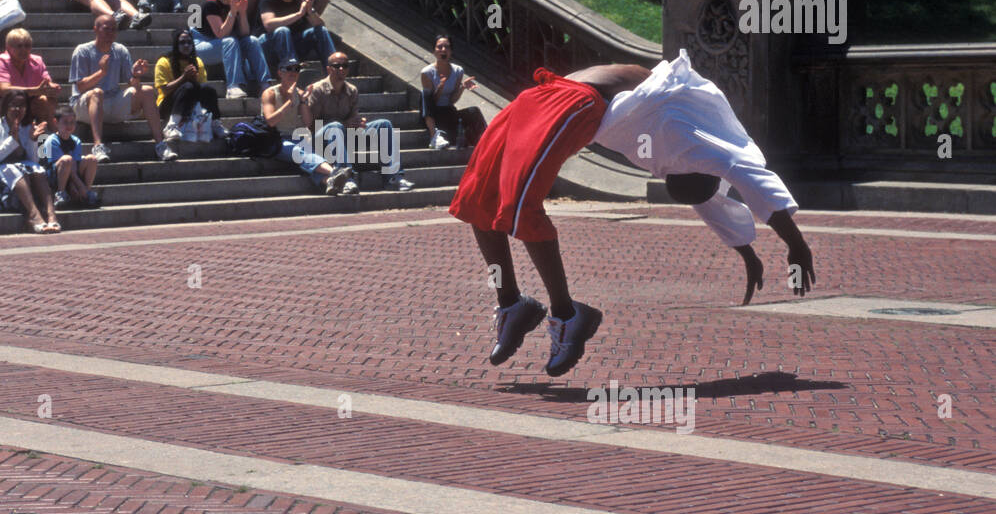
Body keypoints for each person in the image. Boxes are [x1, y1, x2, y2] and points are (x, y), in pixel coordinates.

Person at [448, 49, 815, 377]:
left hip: (569, 102)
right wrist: (796, 245)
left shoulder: (677, 151)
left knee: (518, 203)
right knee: (476, 198)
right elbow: (750, 178)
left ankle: (566, 313)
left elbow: (709, 202)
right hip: (553, 97)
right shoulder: (699, 143)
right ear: (693, 169)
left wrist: (744, 248)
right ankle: (512, 302)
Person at [70, 13, 175, 162]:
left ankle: (160, 144)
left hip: (112, 102)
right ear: (95, 29)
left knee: (147, 91)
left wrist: (137, 75)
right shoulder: (82, 51)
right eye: (106, 29)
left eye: (114, 30)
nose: (111, 33)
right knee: (97, 93)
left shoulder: (120, 50)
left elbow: (132, 84)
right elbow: (80, 87)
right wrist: (101, 73)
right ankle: (98, 146)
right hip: (84, 106)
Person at [307, 50, 414, 193]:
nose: (341, 69)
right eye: (336, 66)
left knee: (384, 124)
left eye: (345, 66)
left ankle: (393, 176)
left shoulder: (352, 90)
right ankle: (346, 179)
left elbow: (352, 119)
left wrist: (358, 124)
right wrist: (344, 125)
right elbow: (312, 124)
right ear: (328, 69)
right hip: (320, 139)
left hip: (343, 136)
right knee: (335, 126)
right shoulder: (317, 90)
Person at [260, 57, 350, 194]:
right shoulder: (270, 93)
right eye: (289, 69)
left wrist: (302, 101)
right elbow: (271, 121)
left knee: (308, 153)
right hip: (276, 140)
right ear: (280, 73)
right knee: (300, 153)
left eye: (296, 69)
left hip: (298, 138)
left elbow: (308, 123)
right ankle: (337, 173)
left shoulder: (300, 93)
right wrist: (289, 102)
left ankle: (331, 182)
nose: (293, 72)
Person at [0, 88, 60, 233]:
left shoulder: (27, 126)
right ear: (5, 106)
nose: (18, 109)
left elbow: (35, 159)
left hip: (22, 168)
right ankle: (35, 215)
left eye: (22, 106)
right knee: (12, 170)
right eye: (13, 105)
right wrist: (12, 140)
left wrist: (33, 140)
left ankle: (52, 216)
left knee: (38, 170)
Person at [195, 0, 269, 99]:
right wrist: (233, 12)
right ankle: (233, 86)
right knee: (230, 41)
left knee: (252, 40)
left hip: (223, 45)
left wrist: (243, 12)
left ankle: (264, 84)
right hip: (202, 46)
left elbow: (245, 33)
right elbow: (220, 34)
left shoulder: (234, 4)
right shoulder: (211, 4)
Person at [0, 27, 60, 126]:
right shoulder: (2, 61)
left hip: (20, 103)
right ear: (8, 47)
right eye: (19, 46)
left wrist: (53, 88)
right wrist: (36, 91)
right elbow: (5, 90)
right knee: (13, 104)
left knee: (44, 102)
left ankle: (42, 138)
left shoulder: (37, 61)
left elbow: (47, 83)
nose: (24, 49)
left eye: (27, 46)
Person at [259, 0, 335, 71]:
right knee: (282, 31)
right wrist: (298, 14)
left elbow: (321, 25)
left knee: (320, 30)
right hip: (269, 45)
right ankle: (292, 71)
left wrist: (309, 10)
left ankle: (333, 70)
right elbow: (269, 25)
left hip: (294, 43)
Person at [154, 30, 223, 144]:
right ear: (176, 44)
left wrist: (194, 79)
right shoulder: (164, 61)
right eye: (182, 42)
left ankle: (215, 123)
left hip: (189, 104)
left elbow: (201, 88)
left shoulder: (197, 61)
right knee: (187, 86)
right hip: (167, 106)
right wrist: (184, 77)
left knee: (208, 90)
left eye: (189, 42)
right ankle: (171, 126)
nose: (186, 45)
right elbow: (164, 89)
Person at [421, 35, 485, 149]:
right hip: (433, 115)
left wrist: (462, 88)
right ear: (434, 51)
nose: (443, 50)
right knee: (425, 93)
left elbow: (452, 100)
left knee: (474, 111)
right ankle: (434, 136)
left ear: (451, 52)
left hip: (448, 111)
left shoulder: (458, 71)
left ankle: (488, 141)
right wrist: (440, 88)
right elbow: (430, 103)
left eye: (447, 47)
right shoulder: (427, 72)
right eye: (439, 47)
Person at [41, 104, 98, 207]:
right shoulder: (51, 140)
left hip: (72, 174)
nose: (69, 125)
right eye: (65, 122)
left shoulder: (76, 140)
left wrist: (78, 186)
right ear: (56, 122)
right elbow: (57, 167)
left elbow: (74, 168)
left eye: (72, 122)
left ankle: (86, 193)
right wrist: (79, 187)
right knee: (67, 159)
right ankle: (61, 194)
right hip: (55, 177)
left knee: (92, 159)